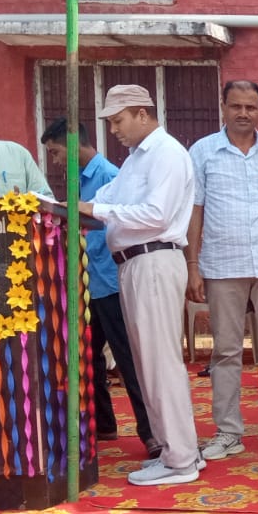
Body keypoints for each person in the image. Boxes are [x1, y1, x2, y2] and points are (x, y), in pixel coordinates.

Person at [79, 84, 200, 486]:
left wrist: (95, 208)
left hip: (154, 258)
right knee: (148, 363)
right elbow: (104, 202)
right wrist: (72, 208)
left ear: (142, 114)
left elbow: (156, 214)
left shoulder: (166, 153)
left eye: (118, 120)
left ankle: (181, 459)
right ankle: (173, 450)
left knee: (160, 362)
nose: (113, 129)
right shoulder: (135, 160)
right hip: (134, 263)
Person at [186, 81, 258, 464]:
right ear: (223, 107)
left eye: (250, 107)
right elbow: (195, 209)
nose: (243, 113)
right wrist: (192, 265)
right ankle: (228, 432)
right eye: (235, 106)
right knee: (225, 351)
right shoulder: (203, 151)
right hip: (222, 264)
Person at [41, 119, 157, 457]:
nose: (55, 161)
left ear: (73, 145)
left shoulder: (108, 176)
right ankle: (103, 423)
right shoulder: (78, 178)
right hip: (87, 280)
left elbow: (115, 222)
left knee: (127, 359)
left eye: (56, 152)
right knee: (87, 357)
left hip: (109, 280)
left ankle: (151, 433)